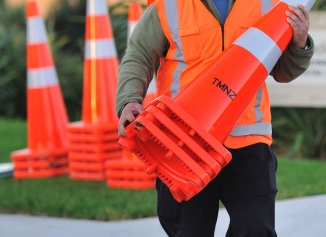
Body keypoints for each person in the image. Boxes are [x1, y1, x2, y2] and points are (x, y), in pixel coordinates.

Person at [115, 0, 314, 236]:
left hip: (246, 142)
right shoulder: (169, 6)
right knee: (188, 231)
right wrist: (129, 100)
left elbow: (282, 71)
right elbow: (139, 55)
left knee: (256, 229)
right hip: (182, 144)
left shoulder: (266, 4)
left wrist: (299, 45)